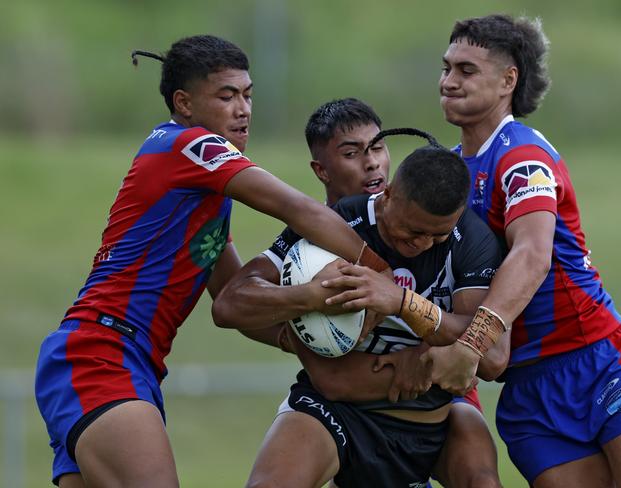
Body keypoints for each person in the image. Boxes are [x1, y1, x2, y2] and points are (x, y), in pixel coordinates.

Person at [33, 35, 389, 488]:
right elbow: (299, 210)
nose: (243, 109)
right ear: (184, 103)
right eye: (226, 96)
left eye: (248, 94)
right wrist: (383, 277)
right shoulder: (190, 146)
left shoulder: (202, 194)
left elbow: (232, 299)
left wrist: (311, 334)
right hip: (101, 356)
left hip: (118, 360)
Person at [216, 98, 503, 487]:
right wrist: (315, 297)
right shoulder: (334, 225)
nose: (423, 243)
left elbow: (493, 355)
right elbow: (231, 305)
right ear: (387, 199)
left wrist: (403, 304)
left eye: (436, 235)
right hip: (335, 412)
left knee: (481, 472)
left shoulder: (469, 237)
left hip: (432, 419)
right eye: (412, 231)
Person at [430, 13, 621, 488]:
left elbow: (532, 255)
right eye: (446, 68)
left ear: (509, 80)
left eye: (466, 71)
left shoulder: (521, 156)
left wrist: (471, 344)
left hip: (595, 359)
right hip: (527, 387)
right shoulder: (447, 172)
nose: (448, 81)